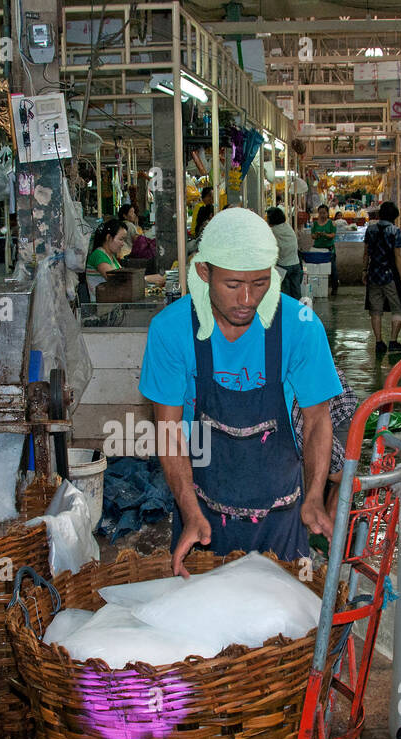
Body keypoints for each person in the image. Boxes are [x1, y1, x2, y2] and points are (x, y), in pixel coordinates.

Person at [139, 208, 343, 577]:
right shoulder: (170, 331)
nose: (248, 299)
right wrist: (189, 512)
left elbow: (316, 422)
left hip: (283, 520)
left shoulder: (300, 327)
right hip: (202, 518)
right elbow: (168, 433)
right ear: (205, 272)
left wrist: (314, 497)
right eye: (233, 285)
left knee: (283, 631)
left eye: (260, 283)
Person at [364, 201, 401, 356]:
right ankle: (393, 341)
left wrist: (364, 271)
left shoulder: (370, 229)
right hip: (390, 276)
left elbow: (366, 253)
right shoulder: (394, 231)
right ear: (394, 216)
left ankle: (378, 342)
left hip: (373, 275)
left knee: (375, 310)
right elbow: (398, 256)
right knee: (398, 308)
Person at [266, 206, 303, 300]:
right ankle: (297, 313)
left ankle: (288, 313)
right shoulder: (287, 226)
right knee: (296, 294)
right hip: (296, 264)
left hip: (283, 267)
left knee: (286, 297)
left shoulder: (273, 231)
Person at [308, 203, 338, 296]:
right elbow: (312, 236)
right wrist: (317, 235)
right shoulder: (315, 224)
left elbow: (333, 235)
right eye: (320, 213)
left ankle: (334, 287)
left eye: (324, 213)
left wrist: (325, 234)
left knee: (332, 269)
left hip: (329, 250)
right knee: (317, 270)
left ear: (327, 213)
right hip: (317, 250)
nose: (322, 215)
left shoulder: (331, 223)